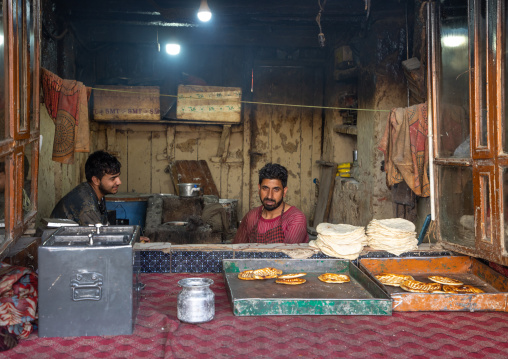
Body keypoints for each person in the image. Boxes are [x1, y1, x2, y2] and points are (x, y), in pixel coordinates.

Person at [233, 163, 309, 244]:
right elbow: (236, 249)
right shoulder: (251, 216)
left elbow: (288, 254)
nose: (269, 196)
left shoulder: (295, 218)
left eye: (276, 189)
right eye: (265, 188)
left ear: (284, 191)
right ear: (259, 189)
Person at [50, 150, 121, 226]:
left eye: (118, 176)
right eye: (113, 178)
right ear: (96, 180)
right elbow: (98, 235)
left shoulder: (95, 193)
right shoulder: (86, 206)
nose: (119, 182)